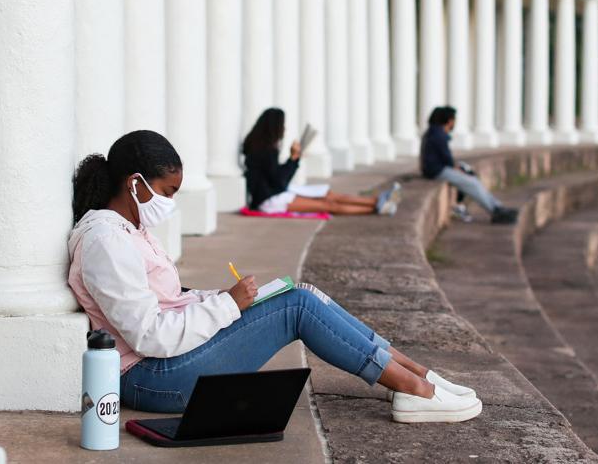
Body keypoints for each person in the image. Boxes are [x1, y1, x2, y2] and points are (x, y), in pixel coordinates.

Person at [67, 130, 482, 423]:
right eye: (168, 191)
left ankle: (414, 374)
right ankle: (415, 390)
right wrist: (227, 305)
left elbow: (166, 302)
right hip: (152, 378)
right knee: (296, 307)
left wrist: (224, 299)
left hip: (171, 361)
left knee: (299, 291)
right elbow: (149, 335)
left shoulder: (129, 230)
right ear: (135, 184)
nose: (170, 202)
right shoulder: (106, 241)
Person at [241, 108, 399, 215]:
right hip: (270, 200)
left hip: (275, 194)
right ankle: (377, 207)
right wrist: (293, 159)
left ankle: (376, 201)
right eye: (283, 125)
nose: (285, 129)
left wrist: (293, 159)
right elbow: (279, 181)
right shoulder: (267, 151)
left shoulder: (260, 149)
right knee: (328, 205)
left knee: (328, 196)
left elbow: (275, 177)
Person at [420, 106, 517, 224]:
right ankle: (495, 210)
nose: (454, 123)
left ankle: (497, 207)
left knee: (473, 181)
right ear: (449, 121)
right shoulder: (438, 135)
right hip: (437, 171)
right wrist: (457, 169)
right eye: (454, 120)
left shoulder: (434, 132)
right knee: (472, 183)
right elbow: (446, 159)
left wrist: (456, 167)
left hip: (437, 169)